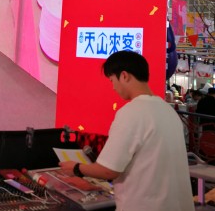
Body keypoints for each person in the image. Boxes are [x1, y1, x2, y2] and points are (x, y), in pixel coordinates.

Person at [59, 51, 194, 211]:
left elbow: (108, 170)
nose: (113, 87)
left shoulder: (132, 112)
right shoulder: (168, 111)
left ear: (124, 76)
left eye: (112, 80)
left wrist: (76, 168)